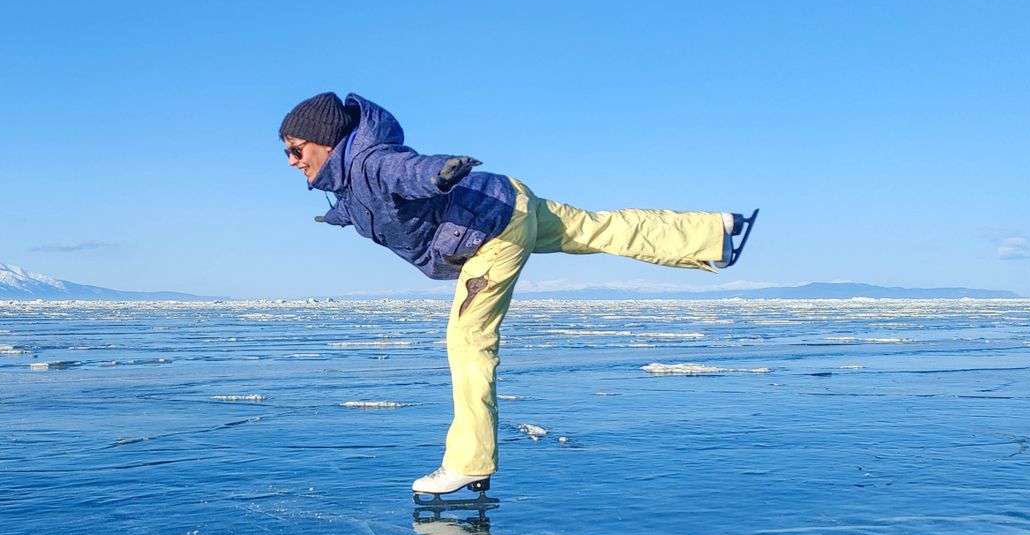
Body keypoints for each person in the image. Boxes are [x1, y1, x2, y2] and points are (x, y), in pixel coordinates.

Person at [278, 91, 756, 498]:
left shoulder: (371, 162)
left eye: (297, 150)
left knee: (468, 342)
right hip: (509, 201)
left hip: (487, 234)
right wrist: (335, 216)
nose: (293, 162)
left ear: (327, 141)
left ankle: (470, 460)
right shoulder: (348, 185)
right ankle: (716, 231)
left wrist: (439, 173)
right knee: (600, 229)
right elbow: (362, 205)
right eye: (287, 153)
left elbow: (407, 173)